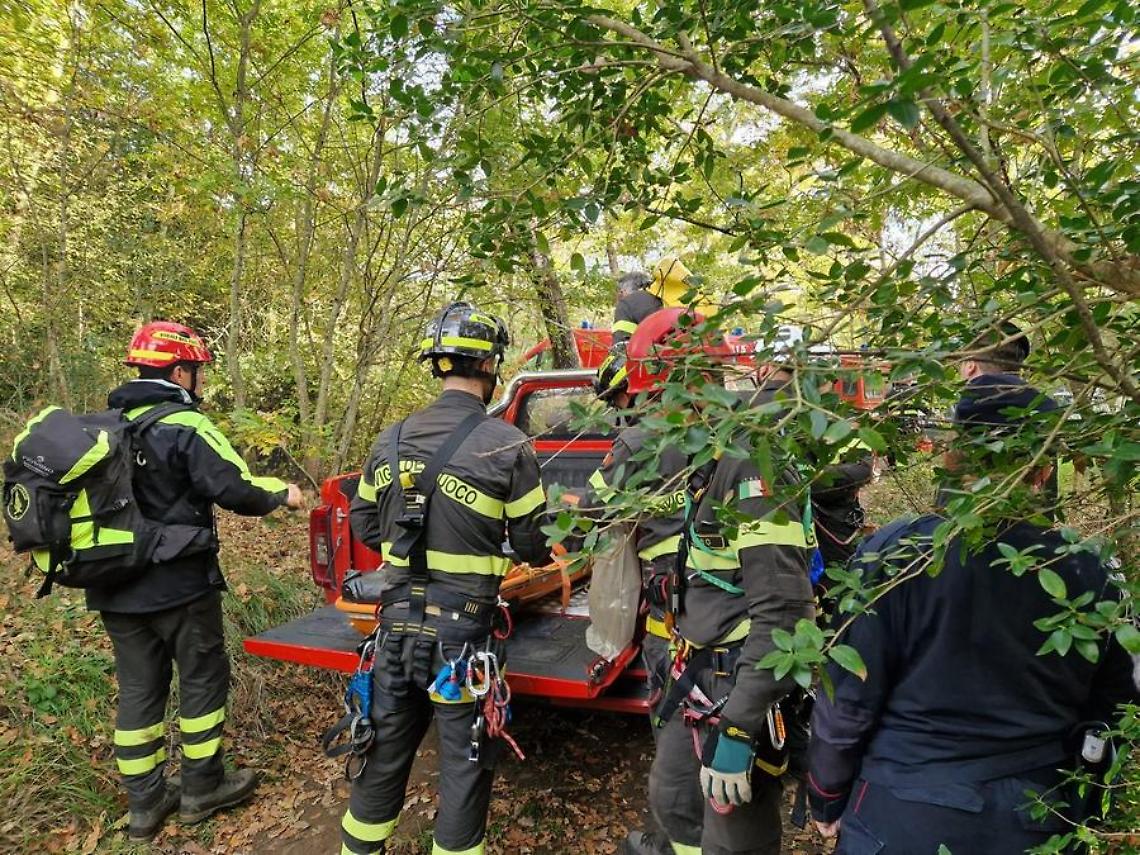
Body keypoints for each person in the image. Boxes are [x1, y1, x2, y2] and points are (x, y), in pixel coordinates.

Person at [807, 380, 1138, 853]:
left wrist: (826, 795)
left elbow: (849, 697)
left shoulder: (899, 554)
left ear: (951, 455)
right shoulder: (1089, 569)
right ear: (1042, 469)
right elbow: (1115, 709)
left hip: (902, 815)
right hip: (1034, 816)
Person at [342, 301, 551, 855]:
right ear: (491, 366)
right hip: (461, 643)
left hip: (392, 633)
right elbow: (534, 543)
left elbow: (364, 523)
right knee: (463, 765)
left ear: (439, 364)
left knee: (382, 752)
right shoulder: (507, 445)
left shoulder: (388, 439)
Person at [99, 321, 304, 841]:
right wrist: (283, 494)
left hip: (114, 587)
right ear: (179, 370)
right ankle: (202, 786)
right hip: (180, 586)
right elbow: (236, 488)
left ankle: (145, 805)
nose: (200, 381)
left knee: (139, 692)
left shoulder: (106, 427)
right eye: (197, 371)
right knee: (200, 679)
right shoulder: (186, 425)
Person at [627, 311, 816, 855]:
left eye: (660, 397)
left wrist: (739, 726)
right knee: (675, 802)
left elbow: (785, 614)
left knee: (734, 835)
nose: (654, 417)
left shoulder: (754, 461)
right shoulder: (700, 459)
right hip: (695, 670)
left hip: (739, 684)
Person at [566, 329, 698, 855]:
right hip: (738, 622)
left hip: (678, 620)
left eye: (619, 400)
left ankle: (670, 838)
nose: (619, 411)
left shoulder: (640, 442)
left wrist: (571, 514)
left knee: (674, 731)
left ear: (640, 386)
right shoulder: (735, 430)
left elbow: (592, 516)